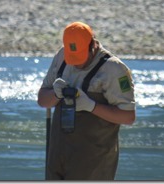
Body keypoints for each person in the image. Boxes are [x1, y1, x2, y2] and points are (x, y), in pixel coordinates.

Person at [37, 21, 136, 180]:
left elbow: (128, 117)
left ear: (93, 46)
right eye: (72, 58)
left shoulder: (114, 69)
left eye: (80, 57)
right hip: (58, 155)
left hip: (94, 162)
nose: (76, 63)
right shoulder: (62, 56)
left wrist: (91, 106)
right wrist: (55, 95)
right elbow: (42, 101)